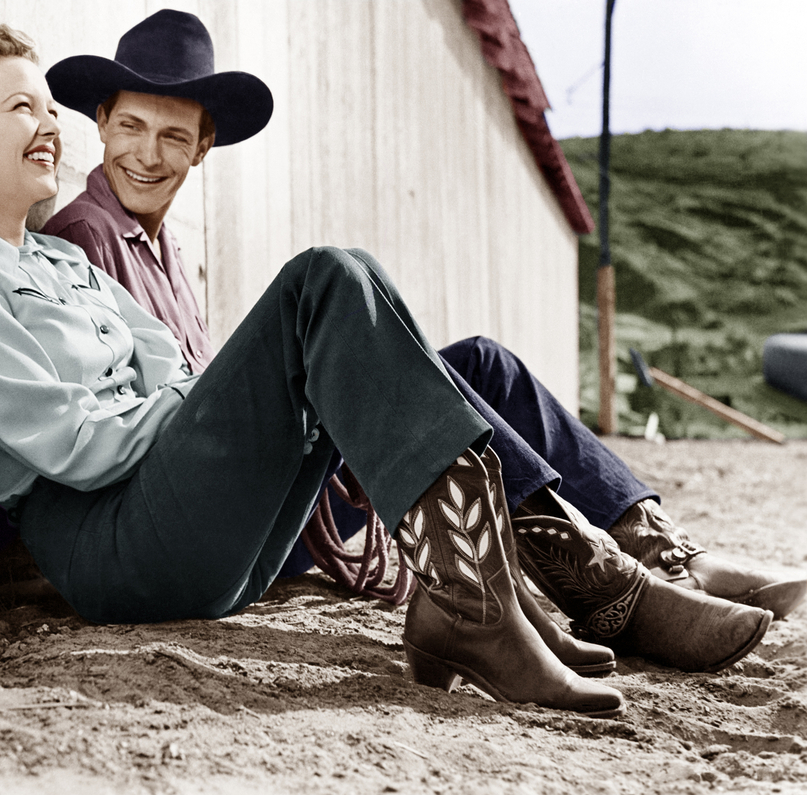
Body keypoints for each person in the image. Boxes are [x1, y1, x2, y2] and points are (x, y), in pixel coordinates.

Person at [0, 25, 769, 720]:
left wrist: (236, 396)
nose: (51, 127)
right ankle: (501, 597)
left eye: (50, 109)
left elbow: (169, 368)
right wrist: (229, 400)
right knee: (324, 280)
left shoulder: (64, 263)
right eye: (23, 109)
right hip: (112, 549)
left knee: (360, 294)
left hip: (188, 532)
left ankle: (484, 592)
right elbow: (80, 447)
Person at [41, 10, 807, 629]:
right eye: (132, 126)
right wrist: (334, 435)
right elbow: (135, 429)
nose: (148, 154)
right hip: (215, 523)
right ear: (100, 122)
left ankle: (661, 548)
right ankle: (605, 579)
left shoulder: (165, 247)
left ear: (203, 146)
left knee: (479, 364)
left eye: (174, 135)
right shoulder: (84, 237)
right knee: (394, 376)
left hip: (253, 493)